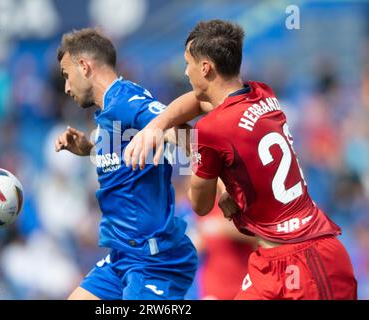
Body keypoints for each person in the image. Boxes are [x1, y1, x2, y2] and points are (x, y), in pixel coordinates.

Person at [124, 20, 357, 300]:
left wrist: (174, 136)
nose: (185, 72)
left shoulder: (213, 129)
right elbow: (202, 107)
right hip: (270, 263)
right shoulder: (262, 93)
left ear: (205, 67)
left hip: (307, 258)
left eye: (187, 63)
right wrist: (157, 127)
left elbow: (200, 204)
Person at [54, 28, 197, 300]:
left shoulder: (125, 100)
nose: (66, 87)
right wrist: (89, 149)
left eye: (66, 76)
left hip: (154, 260)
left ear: (84, 66)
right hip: (123, 257)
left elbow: (178, 129)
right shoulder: (109, 110)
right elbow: (129, 153)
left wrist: (215, 176)